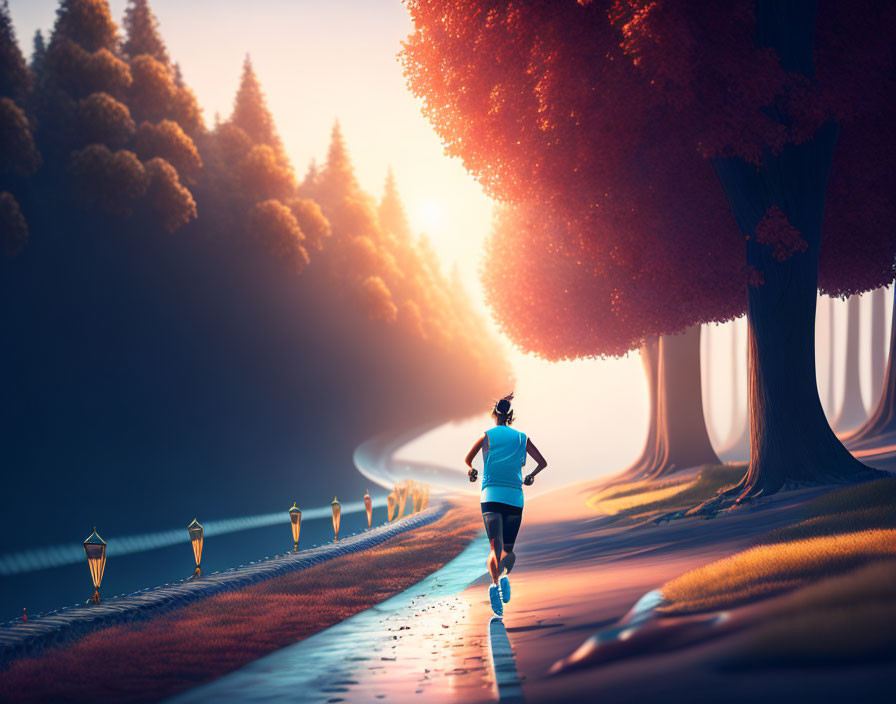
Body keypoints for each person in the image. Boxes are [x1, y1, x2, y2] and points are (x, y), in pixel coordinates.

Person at [465, 393, 547, 617]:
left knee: (494, 547)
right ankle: (504, 577)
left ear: (495, 415)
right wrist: (530, 476)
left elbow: (468, 459)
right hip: (514, 497)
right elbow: (542, 462)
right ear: (510, 415)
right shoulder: (522, 438)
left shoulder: (487, 436)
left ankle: (494, 584)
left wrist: (472, 471)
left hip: (490, 495)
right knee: (509, 551)